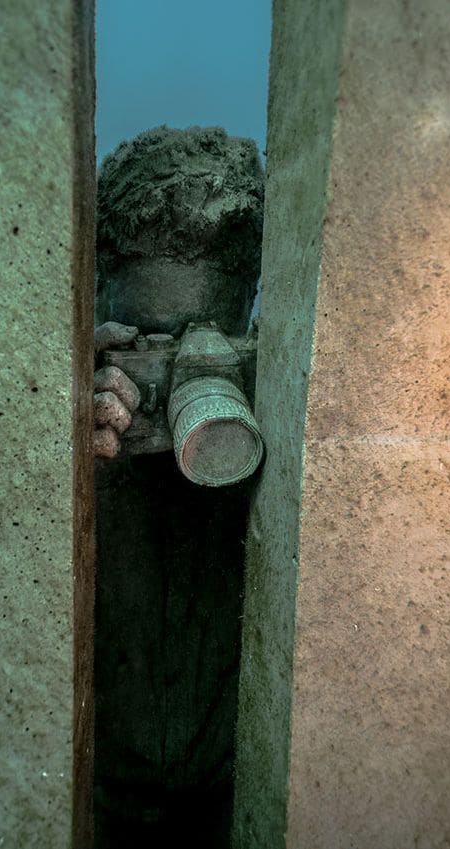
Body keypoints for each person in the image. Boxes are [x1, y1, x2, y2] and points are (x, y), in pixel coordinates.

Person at [93, 125, 264, 848]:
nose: (180, 372)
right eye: (150, 342)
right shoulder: (62, 397)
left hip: (234, 799)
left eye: (207, 340)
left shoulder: (279, 398)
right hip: (92, 795)